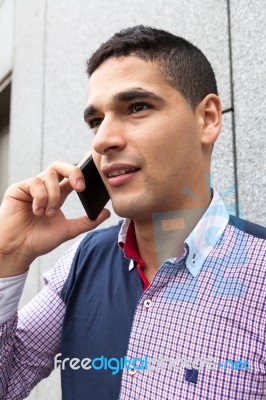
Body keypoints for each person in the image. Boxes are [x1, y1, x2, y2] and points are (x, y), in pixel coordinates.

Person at [0, 25, 265, 400]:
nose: (103, 140)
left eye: (137, 107)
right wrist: (8, 256)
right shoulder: (83, 261)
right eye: (96, 121)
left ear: (207, 118)